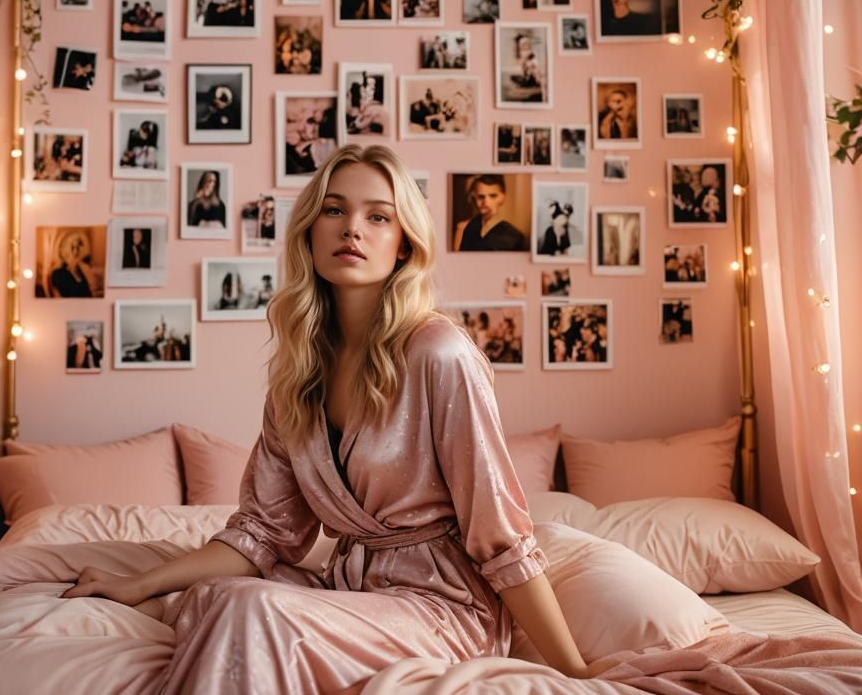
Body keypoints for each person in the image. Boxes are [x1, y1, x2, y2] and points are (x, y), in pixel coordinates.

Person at [63, 144, 592, 689]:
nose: (352, 228)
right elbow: (263, 533)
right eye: (334, 210)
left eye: (378, 216)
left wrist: (575, 675)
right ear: (310, 232)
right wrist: (141, 584)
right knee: (215, 595)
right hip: (352, 592)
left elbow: (500, 535)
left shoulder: (440, 353)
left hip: (444, 608)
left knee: (251, 609)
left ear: (404, 244)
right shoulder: (299, 374)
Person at [453, 174, 526, 252]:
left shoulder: (514, 236)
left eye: (493, 196)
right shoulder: (466, 228)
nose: (486, 202)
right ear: (474, 197)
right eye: (481, 196)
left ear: (502, 198)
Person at [48, 230, 96, 297]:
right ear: (62, 250)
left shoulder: (81, 270)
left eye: (79, 245)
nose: (76, 251)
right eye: (72, 247)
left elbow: (89, 294)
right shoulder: (58, 273)